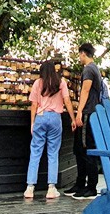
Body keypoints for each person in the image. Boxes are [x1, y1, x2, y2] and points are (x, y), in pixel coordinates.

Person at [24, 60, 76, 199]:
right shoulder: (61, 83)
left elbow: (34, 105)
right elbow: (67, 101)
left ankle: (30, 188)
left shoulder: (38, 83)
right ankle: (51, 188)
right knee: (53, 153)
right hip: (55, 118)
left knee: (35, 152)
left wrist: (32, 123)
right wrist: (72, 118)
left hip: (40, 117)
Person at [68, 42, 102, 199]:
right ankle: (80, 184)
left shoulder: (89, 69)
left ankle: (91, 187)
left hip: (88, 112)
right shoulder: (95, 68)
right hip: (89, 112)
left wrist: (79, 112)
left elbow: (86, 91)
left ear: (83, 53)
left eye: (79, 54)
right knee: (79, 149)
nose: (79, 58)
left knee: (86, 148)